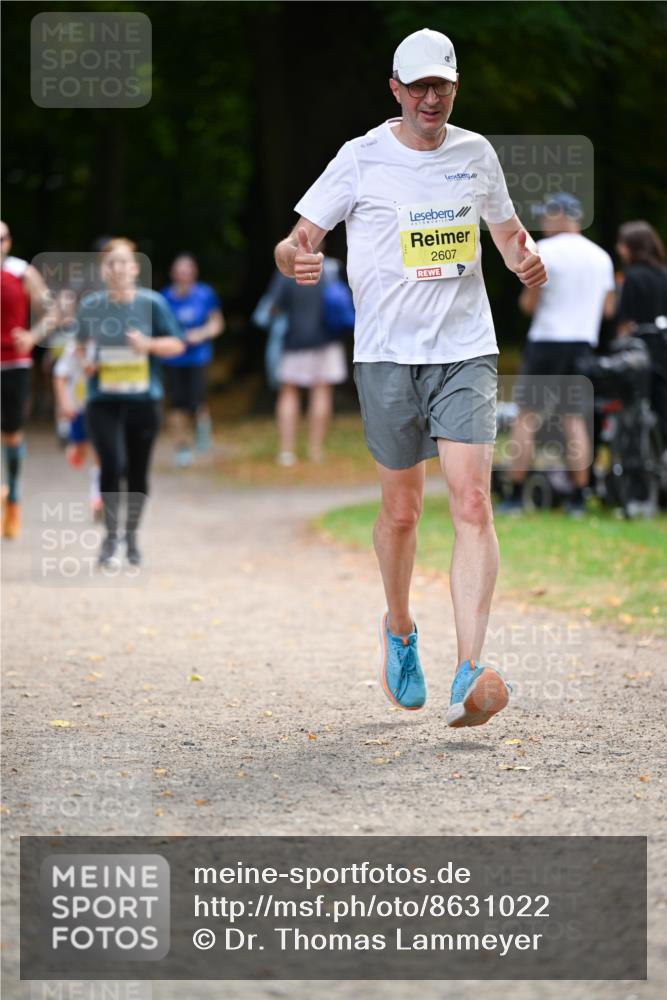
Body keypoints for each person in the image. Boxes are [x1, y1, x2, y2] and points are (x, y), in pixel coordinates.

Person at [274, 28, 546, 726]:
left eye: (443, 86)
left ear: (454, 87)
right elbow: (297, 239)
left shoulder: (475, 153)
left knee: (472, 503)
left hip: (464, 347)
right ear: (395, 90)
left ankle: (468, 667)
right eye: (419, 86)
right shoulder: (359, 158)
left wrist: (524, 260)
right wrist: (291, 258)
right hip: (386, 354)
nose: (432, 97)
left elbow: (506, 229)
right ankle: (398, 627)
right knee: (401, 511)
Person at [498, 192, 616, 517]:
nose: (543, 224)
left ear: (563, 217)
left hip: (547, 343)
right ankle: (579, 497)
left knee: (527, 417)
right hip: (582, 344)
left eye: (547, 217)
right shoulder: (601, 257)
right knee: (574, 420)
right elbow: (608, 309)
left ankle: (515, 494)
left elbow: (528, 304)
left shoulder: (544, 252)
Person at [76, 238, 185, 567]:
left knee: (137, 473)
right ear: (103, 270)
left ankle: (132, 537)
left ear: (136, 268)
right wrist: (87, 362)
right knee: (112, 465)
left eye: (125, 262)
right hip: (103, 401)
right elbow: (79, 346)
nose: (118, 269)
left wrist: (148, 345)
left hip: (142, 400)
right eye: (111, 263)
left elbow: (177, 344)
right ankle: (110, 538)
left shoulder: (152, 304)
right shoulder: (91, 306)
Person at [256, 256, 349, 466]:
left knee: (289, 392)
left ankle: (286, 451)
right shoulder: (331, 269)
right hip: (327, 341)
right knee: (322, 391)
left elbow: (273, 307)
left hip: (294, 342)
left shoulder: (288, 270)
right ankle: (315, 451)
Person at [1, 220, 55, 538]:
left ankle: (14, 501)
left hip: (13, 363)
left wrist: (33, 335)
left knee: (12, 435)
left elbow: (52, 311)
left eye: (2, 238)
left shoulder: (22, 273)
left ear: (9, 242)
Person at [160, 254, 224, 467]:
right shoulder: (165, 297)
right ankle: (182, 448)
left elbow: (217, 323)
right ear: (173, 274)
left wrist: (201, 333)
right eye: (180, 271)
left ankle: (201, 431)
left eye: (187, 270)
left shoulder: (205, 294)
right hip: (173, 359)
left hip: (198, 357)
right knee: (177, 405)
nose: (183, 275)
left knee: (197, 403)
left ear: (194, 273)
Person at [615, 220, 667, 442]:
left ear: (631, 246)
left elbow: (624, 321)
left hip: (640, 351)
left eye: (622, 243)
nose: (619, 248)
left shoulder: (632, 276)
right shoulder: (663, 274)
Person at [52, 336, 102, 519]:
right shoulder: (73, 344)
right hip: (78, 406)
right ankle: (75, 448)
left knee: (99, 452)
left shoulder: (108, 341)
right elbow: (59, 375)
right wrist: (64, 403)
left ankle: (97, 498)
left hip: (101, 405)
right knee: (82, 450)